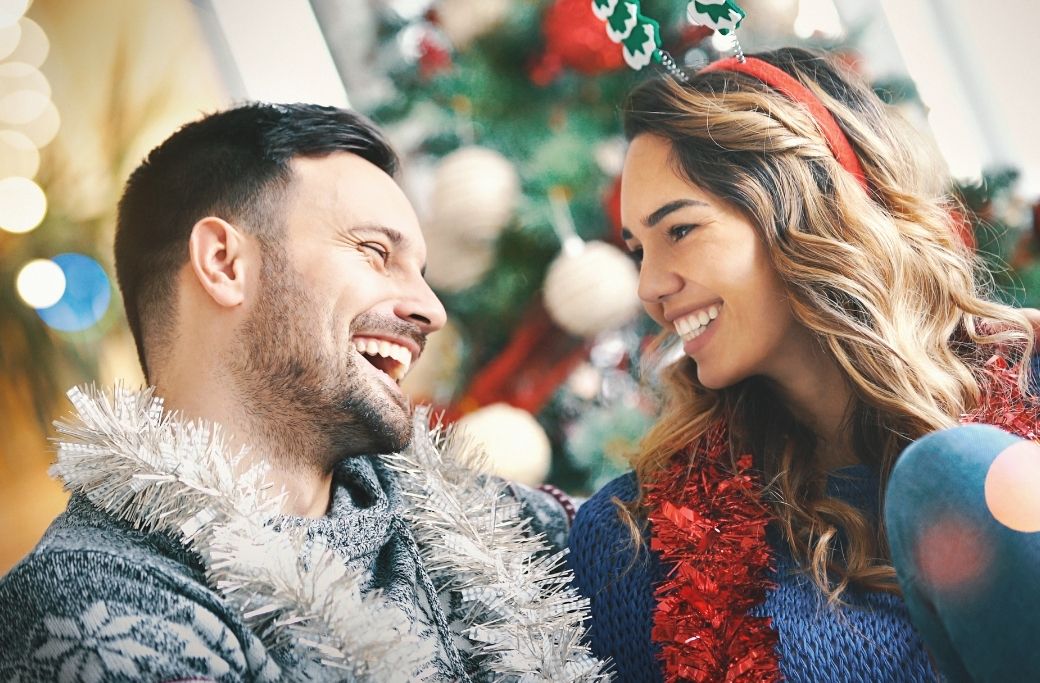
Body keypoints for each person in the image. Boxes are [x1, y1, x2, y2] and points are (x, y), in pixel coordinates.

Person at [0, 103, 605, 682]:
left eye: (420, 273)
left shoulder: (466, 517)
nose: (430, 309)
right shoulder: (93, 599)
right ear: (224, 264)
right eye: (375, 251)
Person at [567, 47, 1040, 682]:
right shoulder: (634, 543)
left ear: (805, 209)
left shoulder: (1027, 386)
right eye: (637, 250)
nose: (649, 286)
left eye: (679, 230)